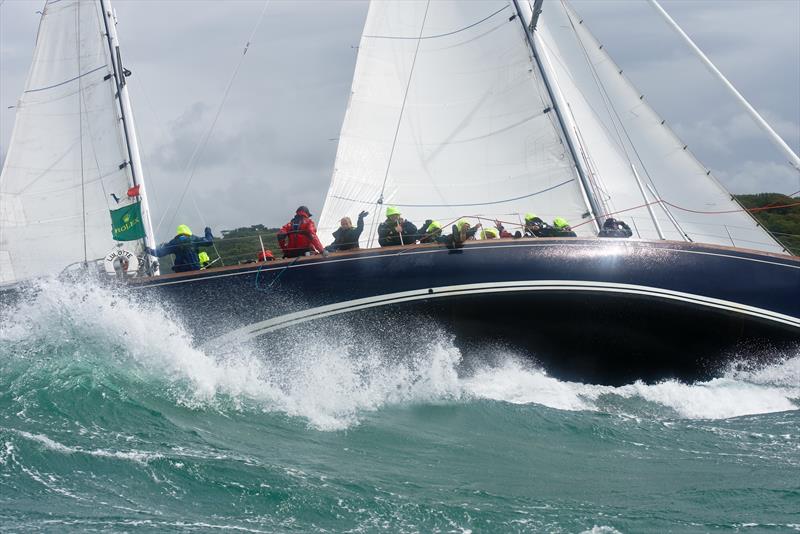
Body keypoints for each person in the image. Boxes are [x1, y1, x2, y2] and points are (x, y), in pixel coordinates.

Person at [147, 224, 214, 273]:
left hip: (181, 271)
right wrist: (208, 231)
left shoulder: (174, 242)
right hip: (195, 269)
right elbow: (209, 242)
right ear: (188, 232)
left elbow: (159, 253)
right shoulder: (194, 239)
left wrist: (148, 250)